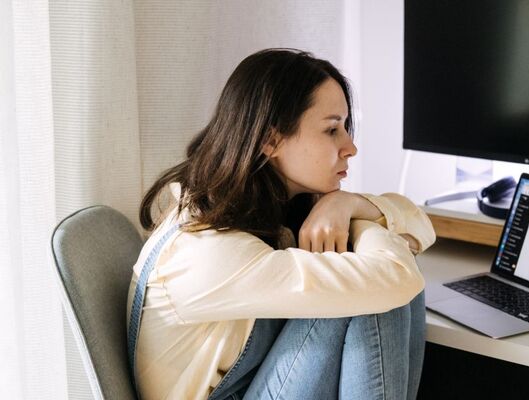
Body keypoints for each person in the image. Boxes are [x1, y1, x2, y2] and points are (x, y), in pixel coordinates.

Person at [127, 48, 436, 400]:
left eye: (346, 127)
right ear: (271, 140)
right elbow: (398, 275)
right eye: (332, 129)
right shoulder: (209, 249)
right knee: (369, 292)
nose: (350, 147)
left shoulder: (252, 206)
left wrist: (345, 204)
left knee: (369, 277)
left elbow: (419, 226)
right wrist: (353, 216)